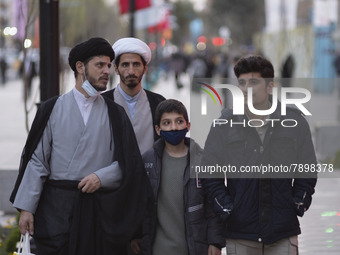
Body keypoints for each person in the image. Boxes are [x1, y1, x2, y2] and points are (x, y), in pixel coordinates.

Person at [10, 37, 151, 255]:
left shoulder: (115, 113)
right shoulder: (52, 108)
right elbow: (38, 161)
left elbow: (128, 162)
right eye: (100, 65)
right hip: (57, 211)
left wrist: (101, 177)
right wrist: (27, 208)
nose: (106, 71)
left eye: (107, 65)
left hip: (99, 212)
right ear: (80, 67)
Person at [201, 55, 317, 255]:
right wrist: (227, 209)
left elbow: (307, 168)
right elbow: (210, 175)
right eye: (242, 83)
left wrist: (298, 202)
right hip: (240, 234)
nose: (246, 89)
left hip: (283, 233)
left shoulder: (295, 122)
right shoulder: (224, 126)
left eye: (253, 82)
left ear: (270, 86)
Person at [137, 99, 225, 255]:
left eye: (179, 121)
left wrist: (215, 241)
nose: (173, 127)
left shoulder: (204, 160)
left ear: (188, 126)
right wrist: (136, 236)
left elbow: (213, 205)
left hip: (195, 248)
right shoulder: (147, 162)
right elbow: (140, 206)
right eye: (167, 123)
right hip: (157, 249)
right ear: (158, 129)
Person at [102, 37, 165, 155]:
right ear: (116, 69)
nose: (131, 71)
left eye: (136, 64)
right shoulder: (102, 103)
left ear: (145, 68)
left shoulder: (158, 103)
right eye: (125, 65)